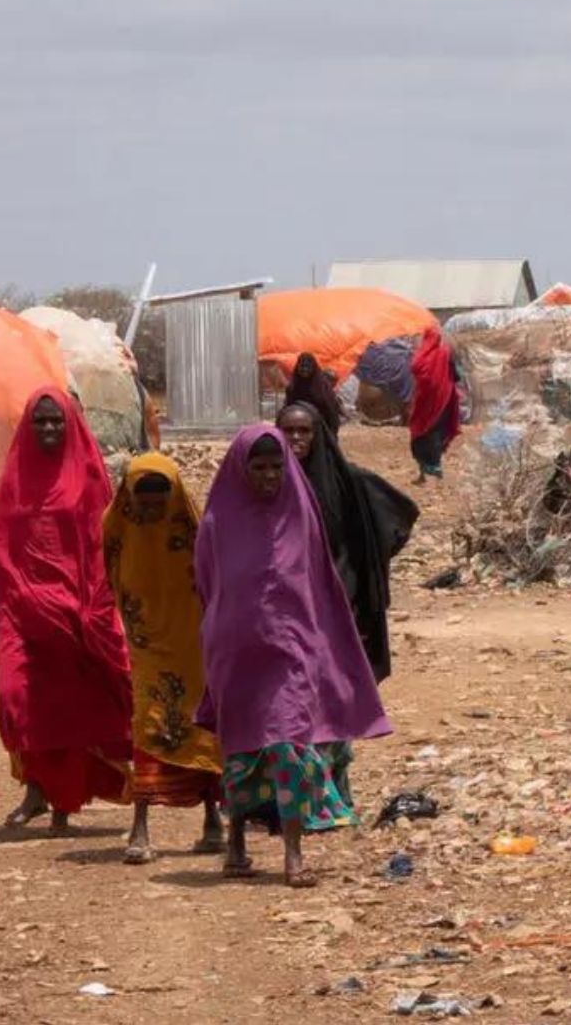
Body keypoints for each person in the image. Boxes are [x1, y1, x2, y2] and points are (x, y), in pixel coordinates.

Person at [194, 425, 392, 887]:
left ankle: (293, 853)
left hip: (292, 648)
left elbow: (318, 582)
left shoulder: (300, 515)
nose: (268, 477)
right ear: (242, 471)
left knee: (290, 744)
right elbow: (205, 583)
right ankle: (237, 843)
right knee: (242, 749)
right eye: (258, 468)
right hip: (237, 651)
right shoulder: (217, 522)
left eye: (275, 468)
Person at [0, 388, 133, 833]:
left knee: (68, 706)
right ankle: (35, 787)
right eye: (41, 422)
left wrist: (93, 604)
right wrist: (16, 592)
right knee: (17, 699)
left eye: (56, 422)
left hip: (74, 611)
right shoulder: (16, 475)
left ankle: (59, 801)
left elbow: (102, 544)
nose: (48, 429)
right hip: (23, 614)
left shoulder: (87, 476)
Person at [102, 453, 226, 863]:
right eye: (145, 498)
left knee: (201, 725)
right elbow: (107, 576)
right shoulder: (115, 528)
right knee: (149, 723)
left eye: (161, 497)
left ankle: (213, 819)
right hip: (146, 644)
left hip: (193, 644)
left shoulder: (197, 531)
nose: (153, 506)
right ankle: (141, 827)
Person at [275, 402, 419, 682]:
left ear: (318, 434)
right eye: (288, 431)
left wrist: (369, 558)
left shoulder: (346, 479)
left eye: (304, 431)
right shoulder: (269, 477)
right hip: (289, 589)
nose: (296, 438)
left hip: (337, 587)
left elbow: (400, 513)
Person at [407, 328, 461, 483]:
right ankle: (435, 469)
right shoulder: (445, 353)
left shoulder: (421, 354)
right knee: (436, 433)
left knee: (419, 432)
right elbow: (456, 376)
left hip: (424, 403)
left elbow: (415, 367)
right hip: (442, 400)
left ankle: (424, 474)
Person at [282, 352, 343, 433]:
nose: (304, 369)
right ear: (297, 367)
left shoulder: (322, 387)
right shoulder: (293, 386)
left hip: (320, 428)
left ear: (313, 368)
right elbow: (288, 405)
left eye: (307, 367)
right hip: (296, 426)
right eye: (302, 366)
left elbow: (330, 410)